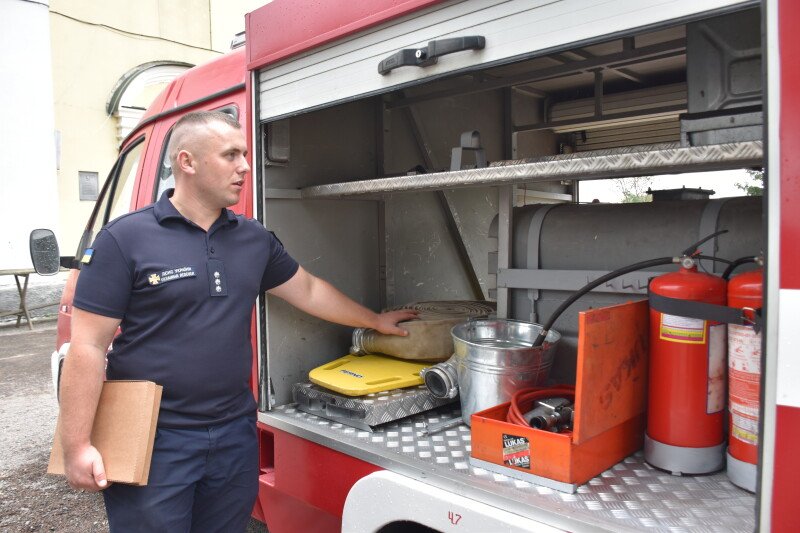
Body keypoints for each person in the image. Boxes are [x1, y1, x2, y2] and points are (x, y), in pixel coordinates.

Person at [58, 110, 416, 531]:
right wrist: (76, 445)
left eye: (244, 155)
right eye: (231, 155)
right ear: (187, 162)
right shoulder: (124, 240)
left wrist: (373, 320)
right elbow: (87, 346)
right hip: (154, 437)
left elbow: (308, 290)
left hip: (233, 434)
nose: (245, 166)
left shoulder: (253, 238)